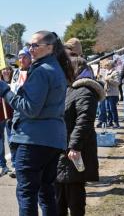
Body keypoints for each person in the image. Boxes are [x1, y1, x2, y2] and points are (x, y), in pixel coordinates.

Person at [0, 31, 74, 216]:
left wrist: (5, 91)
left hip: (34, 140)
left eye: (35, 45)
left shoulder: (42, 71)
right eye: (29, 45)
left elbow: (29, 108)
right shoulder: (55, 67)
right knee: (46, 192)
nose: (30, 49)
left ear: (50, 48)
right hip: (51, 140)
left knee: (27, 193)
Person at [56, 57, 104, 216]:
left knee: (74, 195)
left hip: (74, 151)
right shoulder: (72, 88)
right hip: (64, 149)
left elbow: (84, 120)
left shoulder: (85, 91)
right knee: (60, 195)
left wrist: (75, 146)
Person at [9, 47, 32, 178]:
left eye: (24, 57)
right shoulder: (16, 72)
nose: (21, 59)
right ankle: (16, 166)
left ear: (30, 59)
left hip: (27, 110)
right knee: (13, 140)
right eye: (20, 57)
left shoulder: (33, 72)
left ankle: (23, 168)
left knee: (23, 141)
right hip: (16, 110)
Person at [0, 66, 14, 176]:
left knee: (12, 140)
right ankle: (3, 166)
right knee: (0, 141)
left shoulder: (15, 80)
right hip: (1, 115)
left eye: (8, 69)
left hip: (11, 115)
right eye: (4, 69)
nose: (6, 71)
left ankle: (14, 165)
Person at [104, 60, 120, 128]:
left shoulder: (115, 72)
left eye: (107, 65)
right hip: (107, 93)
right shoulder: (106, 72)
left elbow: (117, 83)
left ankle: (116, 123)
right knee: (108, 109)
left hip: (113, 94)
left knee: (113, 109)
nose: (106, 66)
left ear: (110, 65)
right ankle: (110, 122)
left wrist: (109, 80)